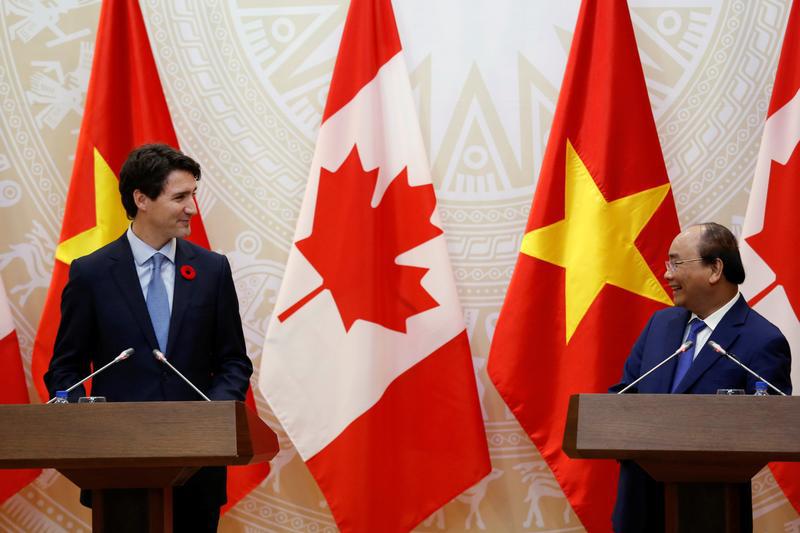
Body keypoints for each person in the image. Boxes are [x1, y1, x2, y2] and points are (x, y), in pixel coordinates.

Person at [44, 144, 252, 532]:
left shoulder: (211, 270)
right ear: (141, 198)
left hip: (198, 466)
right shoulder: (91, 274)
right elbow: (66, 367)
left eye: (193, 194)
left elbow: (233, 361)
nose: (192, 207)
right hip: (116, 465)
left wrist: (215, 416)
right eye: (180, 197)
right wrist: (73, 420)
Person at [609, 222, 791, 533]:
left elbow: (768, 430)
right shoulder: (660, 325)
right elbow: (623, 397)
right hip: (639, 507)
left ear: (715, 269)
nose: (667, 275)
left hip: (712, 511)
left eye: (677, 263)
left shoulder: (762, 340)